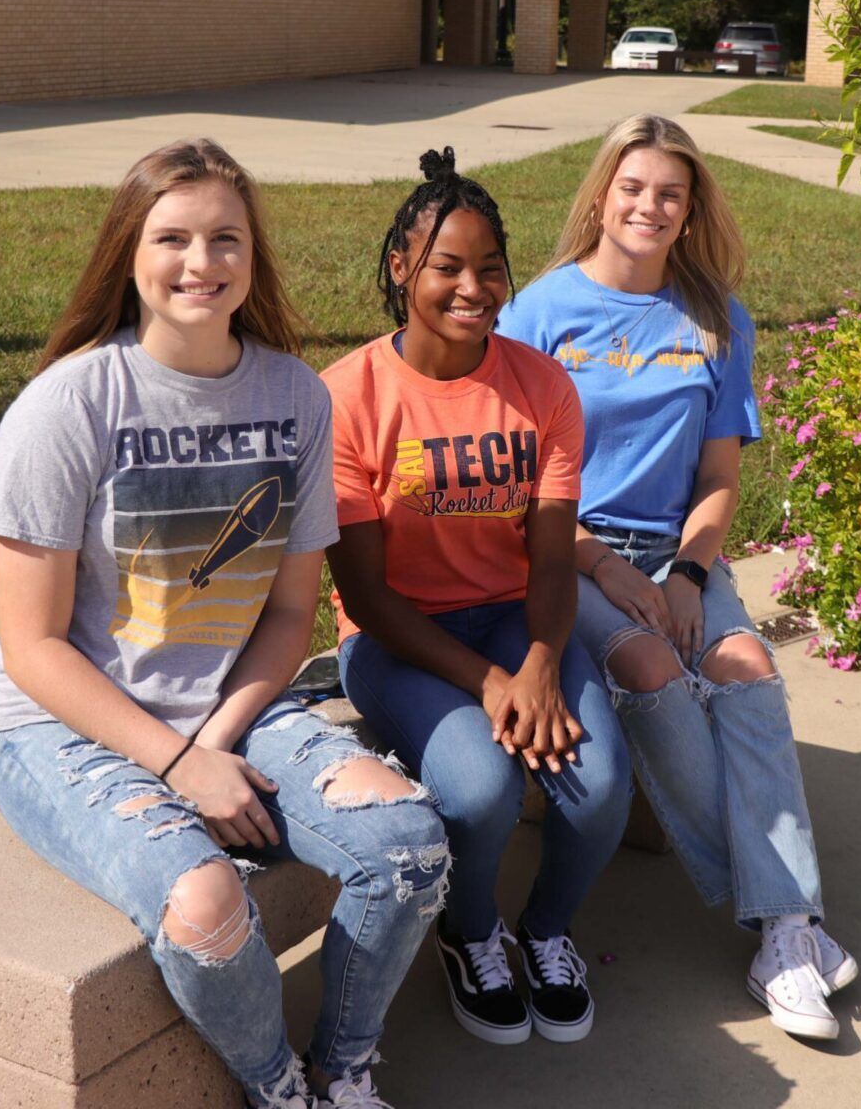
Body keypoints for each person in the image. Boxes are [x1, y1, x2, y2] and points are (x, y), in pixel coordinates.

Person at [0, 140, 444, 1109]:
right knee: (204, 904)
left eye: (224, 237)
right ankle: (278, 1085)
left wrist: (218, 737)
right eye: (174, 237)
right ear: (129, 253)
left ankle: (343, 1067)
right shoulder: (66, 405)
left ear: (252, 255)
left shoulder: (293, 397)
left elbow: (287, 611)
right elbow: (32, 647)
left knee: (406, 846)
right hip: (60, 725)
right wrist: (176, 762)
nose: (202, 261)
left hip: (233, 701)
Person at [496, 114, 859, 1041]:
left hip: (676, 548)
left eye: (670, 192)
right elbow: (516, 479)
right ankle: (786, 915)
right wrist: (601, 563)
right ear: (602, 194)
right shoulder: (538, 314)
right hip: (561, 544)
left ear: (691, 208)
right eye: (633, 188)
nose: (649, 206)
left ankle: (786, 931)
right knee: (654, 669)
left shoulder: (715, 316)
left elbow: (719, 478)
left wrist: (692, 574)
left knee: (747, 668)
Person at [325, 148, 631, 1048]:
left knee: (600, 783)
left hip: (515, 618)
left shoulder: (541, 387)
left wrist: (537, 664)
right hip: (397, 639)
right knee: (480, 788)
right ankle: (470, 936)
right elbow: (368, 597)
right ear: (400, 268)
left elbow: (547, 561)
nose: (473, 287)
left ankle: (543, 934)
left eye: (489, 268)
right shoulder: (347, 397)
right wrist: (490, 683)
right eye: (447, 266)